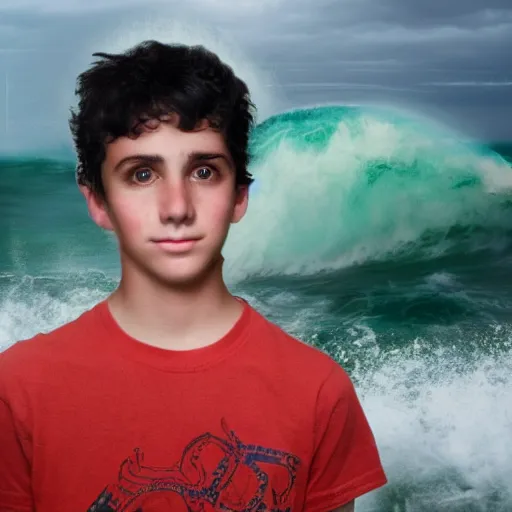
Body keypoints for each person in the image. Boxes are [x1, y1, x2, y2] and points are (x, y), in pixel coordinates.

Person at [0, 40, 387, 511]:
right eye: (142, 174)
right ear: (98, 201)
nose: (177, 208)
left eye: (204, 171)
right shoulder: (18, 390)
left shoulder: (319, 392)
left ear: (240, 194)